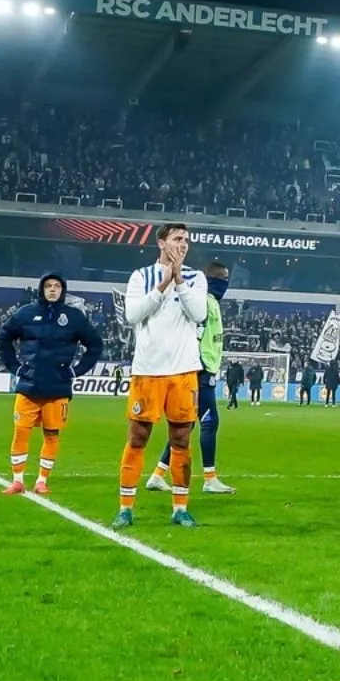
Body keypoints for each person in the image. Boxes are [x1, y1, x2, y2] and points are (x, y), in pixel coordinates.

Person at [114, 223, 208, 529]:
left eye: (187, 241)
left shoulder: (196, 277)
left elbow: (199, 314)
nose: (183, 245)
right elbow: (132, 316)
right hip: (148, 370)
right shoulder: (141, 276)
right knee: (138, 437)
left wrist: (179, 280)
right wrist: (163, 284)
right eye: (178, 239)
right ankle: (125, 508)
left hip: (183, 372)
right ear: (161, 242)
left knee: (181, 439)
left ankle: (180, 508)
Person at [0, 272, 103, 495]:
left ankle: (42, 480)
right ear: (41, 289)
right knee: (21, 432)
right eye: (48, 286)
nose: (52, 289)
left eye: (57, 286)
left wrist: (77, 370)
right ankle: (17, 480)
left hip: (58, 387)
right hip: (28, 386)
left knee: (52, 434)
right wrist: (16, 367)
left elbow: (95, 345)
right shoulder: (26, 314)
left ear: (63, 290)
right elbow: (3, 339)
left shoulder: (74, 317)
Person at [147, 260, 236, 496]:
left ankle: (157, 475)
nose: (224, 284)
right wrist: (198, 370)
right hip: (199, 372)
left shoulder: (211, 302)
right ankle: (210, 478)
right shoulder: (204, 303)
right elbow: (195, 337)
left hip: (203, 370)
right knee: (209, 422)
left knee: (186, 425)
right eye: (222, 280)